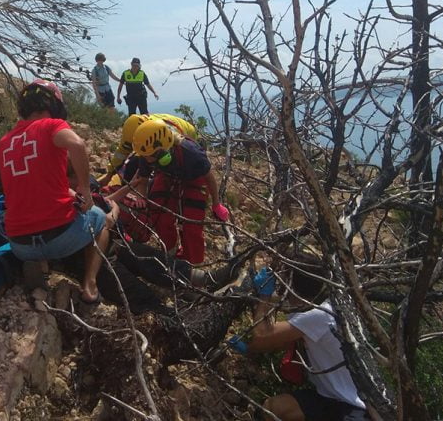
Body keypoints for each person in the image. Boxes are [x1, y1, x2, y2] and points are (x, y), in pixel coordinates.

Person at [0, 79, 112, 304]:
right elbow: (77, 145)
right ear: (54, 105)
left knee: (40, 224)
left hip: (19, 244)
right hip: (60, 237)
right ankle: (89, 284)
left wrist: (67, 192)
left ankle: (40, 264)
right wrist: (85, 189)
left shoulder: (4, 143)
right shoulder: (52, 125)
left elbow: (32, 184)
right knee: (101, 219)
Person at [245, 254, 368, 421]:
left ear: (291, 285)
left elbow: (261, 337)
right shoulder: (327, 306)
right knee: (274, 408)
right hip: (330, 398)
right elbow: (278, 338)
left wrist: (264, 296)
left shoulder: (319, 316)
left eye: (283, 280)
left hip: (354, 409)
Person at [118, 119, 230, 263]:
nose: (147, 160)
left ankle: (192, 264)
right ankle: (171, 255)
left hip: (194, 178)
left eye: (150, 157)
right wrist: (142, 196)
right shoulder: (147, 153)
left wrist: (216, 204)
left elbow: (209, 177)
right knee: (158, 212)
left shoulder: (191, 153)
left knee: (191, 225)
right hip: (167, 175)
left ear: (163, 149)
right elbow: (144, 179)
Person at [97, 113, 198, 188]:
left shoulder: (160, 133)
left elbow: (173, 147)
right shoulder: (131, 132)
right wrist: (109, 174)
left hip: (187, 131)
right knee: (135, 163)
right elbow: (122, 152)